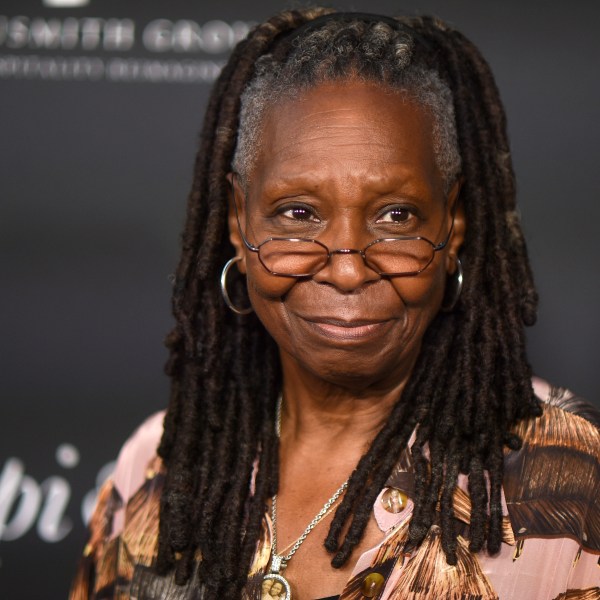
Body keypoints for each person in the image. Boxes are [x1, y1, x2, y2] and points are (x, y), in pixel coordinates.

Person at [70, 8, 599, 600]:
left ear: (452, 226)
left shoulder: (576, 478)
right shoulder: (157, 462)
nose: (348, 269)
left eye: (396, 216)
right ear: (238, 220)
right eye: (298, 214)